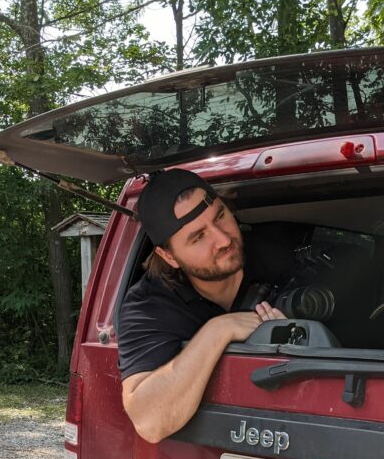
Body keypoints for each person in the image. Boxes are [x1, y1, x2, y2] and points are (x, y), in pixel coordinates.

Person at [117, 169, 284, 443]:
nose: (223, 239)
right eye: (198, 237)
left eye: (220, 216)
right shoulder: (149, 305)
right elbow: (149, 422)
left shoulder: (281, 254)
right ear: (168, 256)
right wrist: (218, 331)